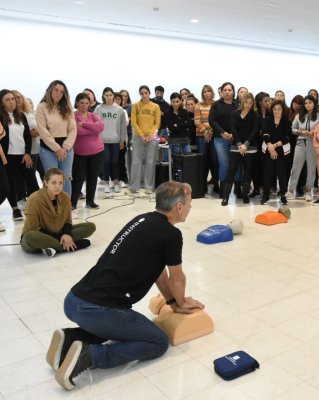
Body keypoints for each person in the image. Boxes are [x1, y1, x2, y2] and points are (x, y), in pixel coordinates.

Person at [48, 181, 203, 390]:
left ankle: (70, 339)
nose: (190, 208)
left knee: (119, 325)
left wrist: (173, 301)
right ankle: (91, 356)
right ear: (179, 207)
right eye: (189, 203)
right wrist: (183, 302)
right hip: (97, 310)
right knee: (157, 342)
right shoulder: (171, 234)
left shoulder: (142, 219)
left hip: (74, 301)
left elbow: (159, 273)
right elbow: (177, 278)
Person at [21, 168, 95, 257]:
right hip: (38, 236)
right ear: (46, 183)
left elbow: (68, 221)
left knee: (90, 227)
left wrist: (66, 234)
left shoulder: (65, 197)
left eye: (60, 183)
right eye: (53, 182)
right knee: (31, 236)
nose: (57, 186)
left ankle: (51, 247)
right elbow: (34, 228)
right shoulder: (34, 199)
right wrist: (61, 237)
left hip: (59, 232)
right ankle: (68, 246)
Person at [36, 80, 77, 197]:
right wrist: (57, 149)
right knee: (53, 180)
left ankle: (65, 207)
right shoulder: (42, 107)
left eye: (62, 92)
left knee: (66, 178)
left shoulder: (67, 107)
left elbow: (73, 129)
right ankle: (52, 209)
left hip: (66, 148)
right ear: (50, 90)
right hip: (48, 148)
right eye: (56, 90)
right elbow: (43, 131)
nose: (58, 93)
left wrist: (65, 147)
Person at [0, 89, 37, 221]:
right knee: (11, 183)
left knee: (32, 182)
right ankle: (15, 209)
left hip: (23, 155)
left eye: (13, 99)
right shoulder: (1, 118)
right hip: (7, 157)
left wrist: (27, 153)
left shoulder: (21, 116)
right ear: (2, 103)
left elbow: (27, 137)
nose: (11, 102)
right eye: (7, 100)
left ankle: (36, 208)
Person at [221, 93, 259, 205]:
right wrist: (239, 144)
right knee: (231, 170)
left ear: (253, 104)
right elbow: (233, 129)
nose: (248, 105)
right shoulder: (234, 113)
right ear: (242, 102)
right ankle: (226, 197)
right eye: (246, 102)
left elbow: (255, 131)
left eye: (250, 103)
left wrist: (246, 145)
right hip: (236, 146)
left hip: (250, 147)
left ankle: (245, 195)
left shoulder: (255, 115)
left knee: (248, 171)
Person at [71, 93, 104, 209]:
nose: (84, 105)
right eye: (82, 103)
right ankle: (73, 202)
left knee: (92, 177)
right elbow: (77, 132)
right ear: (77, 103)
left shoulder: (93, 115)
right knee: (78, 178)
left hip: (97, 152)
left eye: (86, 103)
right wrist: (93, 129)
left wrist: (84, 124)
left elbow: (101, 127)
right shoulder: (73, 116)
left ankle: (90, 201)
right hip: (80, 153)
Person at [287, 95, 319, 201]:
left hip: (312, 144)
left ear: (314, 104)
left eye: (310, 103)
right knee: (295, 168)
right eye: (306, 103)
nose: (307, 105)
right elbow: (292, 128)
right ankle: (291, 190)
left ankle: (308, 191)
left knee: (311, 169)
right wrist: (299, 132)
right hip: (300, 143)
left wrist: (314, 133)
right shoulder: (299, 115)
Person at [95, 87, 128, 195]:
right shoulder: (99, 109)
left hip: (115, 140)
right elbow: (95, 124)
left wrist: (123, 140)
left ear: (113, 96)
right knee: (106, 162)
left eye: (110, 95)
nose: (109, 97)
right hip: (103, 141)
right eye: (106, 95)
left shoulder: (119, 110)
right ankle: (106, 184)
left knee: (115, 162)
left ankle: (116, 183)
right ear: (103, 96)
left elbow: (123, 126)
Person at [130, 85, 161, 195]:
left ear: (149, 93)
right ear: (140, 94)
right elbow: (133, 122)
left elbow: (157, 123)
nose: (144, 95)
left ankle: (149, 186)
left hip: (152, 137)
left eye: (146, 93)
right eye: (142, 93)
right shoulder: (135, 105)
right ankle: (134, 186)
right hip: (139, 137)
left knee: (150, 161)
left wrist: (150, 136)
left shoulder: (155, 106)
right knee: (136, 162)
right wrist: (142, 135)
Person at [209, 82, 238, 196]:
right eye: (225, 90)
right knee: (224, 163)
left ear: (233, 91)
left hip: (235, 138)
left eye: (229, 90)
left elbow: (240, 121)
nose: (227, 92)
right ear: (221, 92)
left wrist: (233, 135)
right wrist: (222, 133)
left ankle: (237, 188)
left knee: (236, 163)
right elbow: (212, 121)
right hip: (220, 138)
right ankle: (223, 190)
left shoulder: (237, 104)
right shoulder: (216, 105)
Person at [261, 99, 291, 205]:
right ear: (271, 110)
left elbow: (287, 137)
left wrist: (275, 146)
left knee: (282, 173)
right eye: (274, 109)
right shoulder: (267, 120)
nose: (277, 111)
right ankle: (265, 196)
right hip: (269, 149)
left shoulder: (286, 121)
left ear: (283, 110)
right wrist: (270, 146)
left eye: (279, 109)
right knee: (268, 173)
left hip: (281, 150)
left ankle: (283, 195)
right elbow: (265, 134)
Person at [13, 90, 43, 191]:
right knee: (30, 178)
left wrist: (38, 131)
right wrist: (28, 134)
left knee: (45, 174)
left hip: (38, 148)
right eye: (14, 98)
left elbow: (42, 126)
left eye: (19, 97)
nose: (17, 99)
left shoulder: (32, 112)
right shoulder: (13, 116)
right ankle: (30, 200)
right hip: (25, 151)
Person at [195, 85, 217, 194]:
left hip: (214, 136)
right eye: (205, 92)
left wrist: (211, 132)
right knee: (203, 161)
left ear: (212, 92)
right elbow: (197, 121)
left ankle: (216, 184)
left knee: (214, 161)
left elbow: (217, 120)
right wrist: (205, 131)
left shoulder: (216, 104)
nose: (207, 93)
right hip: (201, 136)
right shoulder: (198, 105)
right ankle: (202, 186)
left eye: (209, 91)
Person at [118, 89, 133, 187]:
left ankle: (125, 176)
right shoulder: (115, 108)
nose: (124, 98)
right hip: (115, 135)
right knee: (118, 157)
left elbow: (130, 120)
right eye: (121, 96)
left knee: (124, 156)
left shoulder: (130, 107)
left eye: (125, 96)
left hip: (128, 133)